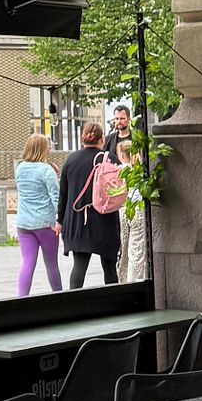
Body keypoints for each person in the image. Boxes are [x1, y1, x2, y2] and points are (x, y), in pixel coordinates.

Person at [59, 119, 122, 289]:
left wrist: (60, 220)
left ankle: (74, 300)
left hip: (78, 219)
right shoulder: (109, 159)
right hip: (105, 219)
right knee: (109, 267)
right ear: (101, 138)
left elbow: (63, 194)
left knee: (79, 267)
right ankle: (113, 300)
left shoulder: (71, 160)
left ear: (83, 138)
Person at [12, 134, 62, 296]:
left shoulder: (20, 168)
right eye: (48, 146)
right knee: (51, 264)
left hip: (23, 224)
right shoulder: (46, 170)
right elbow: (56, 197)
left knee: (27, 263)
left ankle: (22, 298)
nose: (49, 149)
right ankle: (59, 297)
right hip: (45, 224)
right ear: (42, 149)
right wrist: (60, 219)